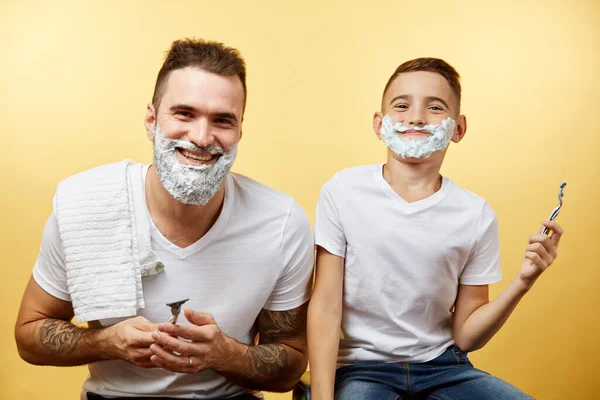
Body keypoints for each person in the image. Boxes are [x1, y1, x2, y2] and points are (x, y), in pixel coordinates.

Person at [15, 38, 314, 400]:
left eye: (222, 120)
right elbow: (30, 337)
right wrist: (106, 342)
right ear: (152, 120)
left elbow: (289, 366)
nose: (202, 138)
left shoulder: (280, 223)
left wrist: (224, 354)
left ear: (239, 131)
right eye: (184, 114)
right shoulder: (84, 204)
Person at [307, 58, 563, 400]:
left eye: (435, 107)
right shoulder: (342, 191)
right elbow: (325, 307)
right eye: (402, 105)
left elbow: (466, 336)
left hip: (445, 367)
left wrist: (524, 281)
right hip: (361, 369)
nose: (415, 116)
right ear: (379, 123)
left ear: (458, 128)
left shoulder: (475, 214)